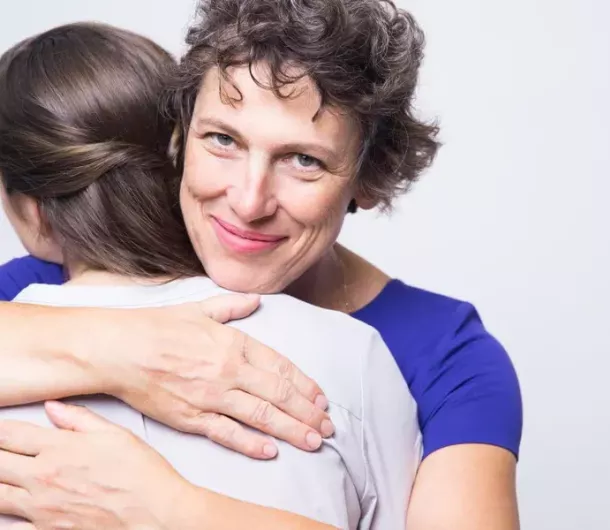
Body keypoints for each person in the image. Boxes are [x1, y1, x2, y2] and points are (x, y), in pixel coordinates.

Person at [0, 0, 523, 528]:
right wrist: (128, 350)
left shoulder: (446, 357)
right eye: (222, 139)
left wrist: (167, 509)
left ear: (368, 176)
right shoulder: (54, 280)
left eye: (304, 160)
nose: (250, 203)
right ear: (178, 139)